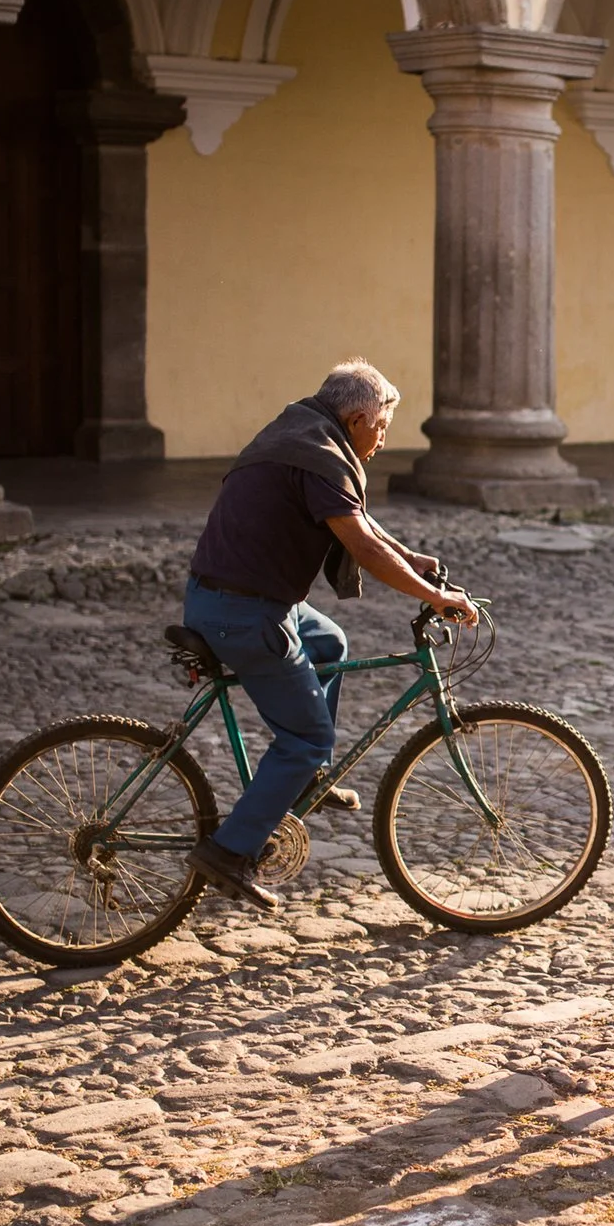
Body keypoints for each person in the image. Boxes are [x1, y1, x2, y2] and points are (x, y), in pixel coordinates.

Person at [181, 360, 475, 909]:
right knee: (306, 736)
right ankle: (230, 850)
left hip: (241, 600)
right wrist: (432, 597)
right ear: (358, 417)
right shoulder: (319, 455)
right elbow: (361, 545)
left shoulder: (303, 430)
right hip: (244, 615)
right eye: (383, 428)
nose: (383, 440)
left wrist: (409, 558)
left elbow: (354, 518)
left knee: (328, 644)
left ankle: (308, 778)